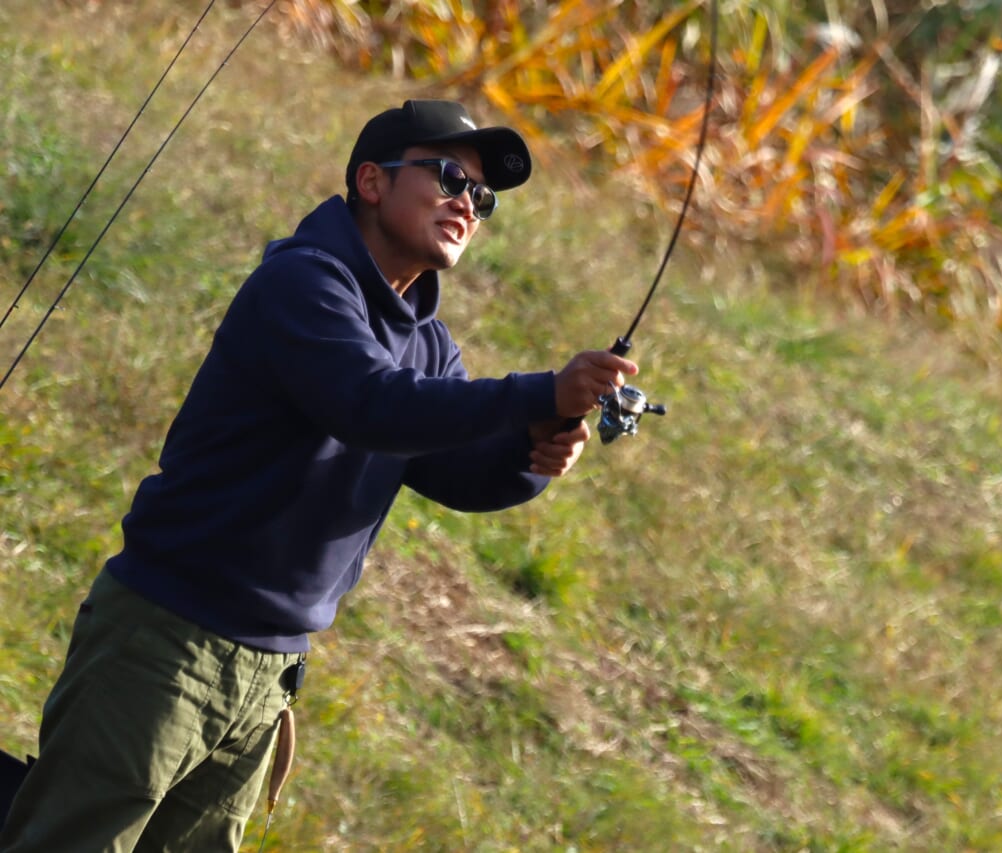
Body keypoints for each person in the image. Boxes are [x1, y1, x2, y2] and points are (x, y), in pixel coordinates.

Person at [0, 99, 638, 852]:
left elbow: (456, 468)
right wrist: (535, 394)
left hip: (270, 674)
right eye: (447, 177)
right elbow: (370, 405)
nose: (468, 203)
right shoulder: (304, 284)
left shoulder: (427, 342)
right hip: (166, 640)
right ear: (372, 181)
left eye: (483, 196)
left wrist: (535, 450)